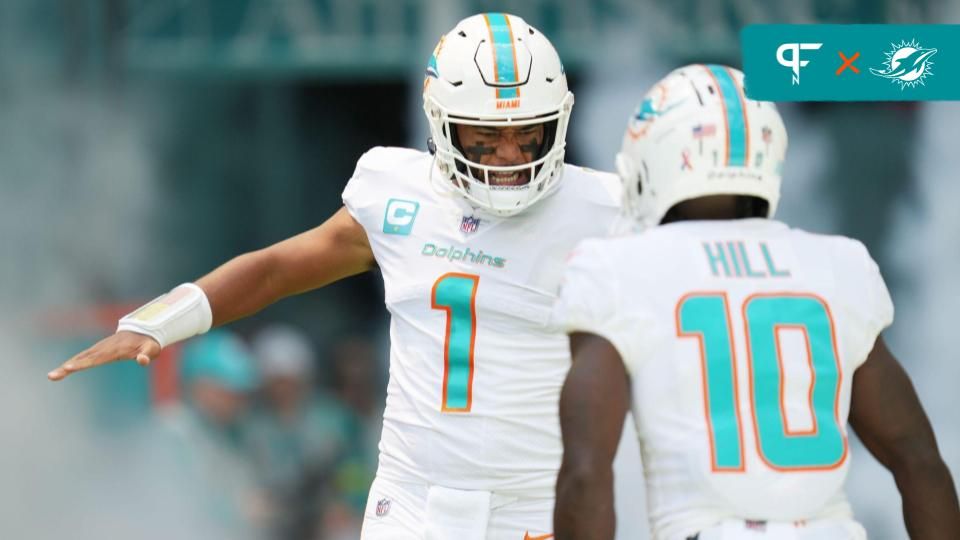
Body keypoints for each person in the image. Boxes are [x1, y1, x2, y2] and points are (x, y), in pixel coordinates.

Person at [48, 12, 621, 539]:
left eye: (529, 134)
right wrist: (159, 321)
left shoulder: (602, 209)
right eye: (485, 137)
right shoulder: (397, 191)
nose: (508, 156)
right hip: (412, 503)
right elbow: (277, 269)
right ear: (442, 123)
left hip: (534, 506)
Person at [551, 64, 960, 540]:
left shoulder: (616, 270)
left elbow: (585, 474)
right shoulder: (835, 264)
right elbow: (917, 460)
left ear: (656, 158)